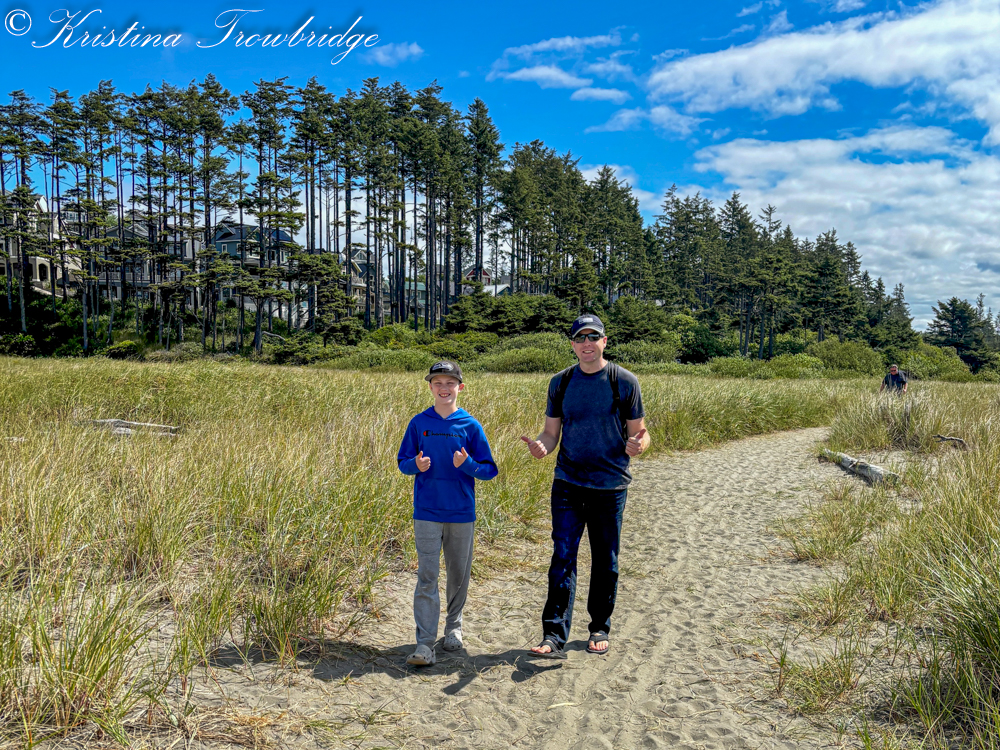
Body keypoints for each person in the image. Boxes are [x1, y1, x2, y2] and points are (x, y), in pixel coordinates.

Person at [520, 314, 650, 659]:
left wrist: (639, 445)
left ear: (604, 342)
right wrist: (542, 446)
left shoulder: (624, 381)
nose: (587, 343)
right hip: (568, 482)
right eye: (581, 338)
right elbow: (551, 432)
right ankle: (553, 635)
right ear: (573, 344)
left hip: (610, 485)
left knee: (605, 559)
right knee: (563, 555)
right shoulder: (561, 382)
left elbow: (640, 432)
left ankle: (599, 627)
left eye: (593, 337)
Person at [397, 360, 498, 667]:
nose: (444, 388)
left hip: (461, 513)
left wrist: (467, 465)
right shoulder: (419, 423)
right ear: (430, 387)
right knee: (427, 576)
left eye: (450, 383)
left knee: (458, 575)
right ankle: (425, 644)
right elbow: (403, 463)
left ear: (460, 387)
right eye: (438, 383)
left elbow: (489, 470)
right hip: (426, 512)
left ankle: (453, 628)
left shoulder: (470, 425)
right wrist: (416, 465)